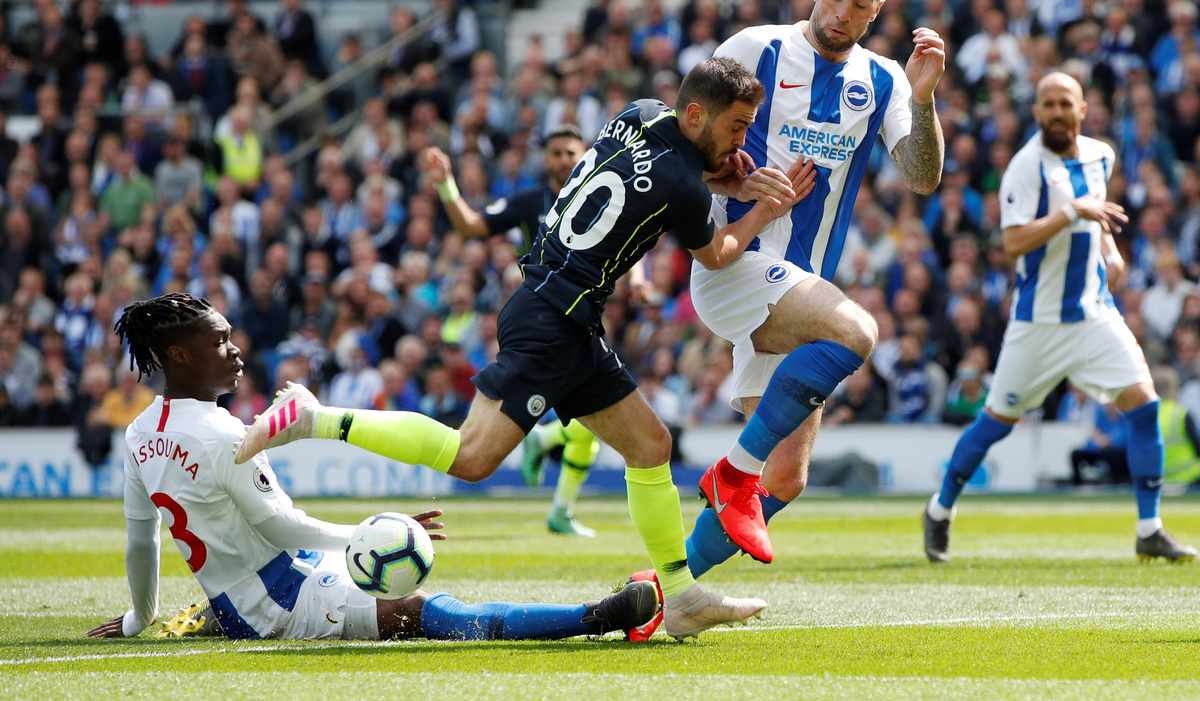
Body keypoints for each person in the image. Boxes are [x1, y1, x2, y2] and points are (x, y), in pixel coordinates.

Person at [238, 57, 817, 640]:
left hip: (559, 308)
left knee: (650, 445)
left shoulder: (638, 114)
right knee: (471, 456)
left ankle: (682, 596)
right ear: (695, 114)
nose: (742, 141)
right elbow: (717, 254)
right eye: (737, 126)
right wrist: (766, 207)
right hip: (554, 320)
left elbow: (648, 180)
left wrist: (714, 175)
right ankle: (313, 417)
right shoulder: (682, 185)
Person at [87, 294, 660, 642]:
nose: (236, 351)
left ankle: (213, 613)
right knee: (425, 614)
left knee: (407, 592)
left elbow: (142, 540)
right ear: (178, 356)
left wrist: (140, 617)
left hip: (257, 590)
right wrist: (362, 533)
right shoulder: (223, 434)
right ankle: (592, 617)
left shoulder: (139, 434)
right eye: (219, 342)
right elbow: (279, 527)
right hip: (278, 602)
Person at [680, 0, 946, 581]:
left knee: (785, 479)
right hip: (735, 262)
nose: (842, 12)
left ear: (879, 8)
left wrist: (923, 100)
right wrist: (731, 181)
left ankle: (666, 587)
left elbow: (922, 178)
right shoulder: (755, 48)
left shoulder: (883, 79)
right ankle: (730, 473)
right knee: (857, 331)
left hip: (796, 290)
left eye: (862, 3)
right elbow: (679, 144)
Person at [923, 72, 1196, 564]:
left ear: (1082, 110)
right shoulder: (1025, 167)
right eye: (1047, 104)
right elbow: (1013, 242)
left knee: (1144, 405)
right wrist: (1071, 212)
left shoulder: (1100, 155)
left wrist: (1110, 252)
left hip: (1094, 313)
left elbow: (1098, 215)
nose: (1056, 112)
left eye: (1064, 103)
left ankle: (1149, 528)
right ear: (1036, 112)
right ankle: (940, 509)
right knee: (996, 423)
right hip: (1039, 324)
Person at [427, 124, 602, 537]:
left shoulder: (601, 197)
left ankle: (551, 472)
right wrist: (447, 184)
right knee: (595, 413)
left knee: (592, 423)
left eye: (571, 152)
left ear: (585, 155)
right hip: (546, 318)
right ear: (546, 159)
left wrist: (641, 282)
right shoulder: (530, 202)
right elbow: (472, 226)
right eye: (556, 153)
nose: (564, 160)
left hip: (586, 315)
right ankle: (544, 458)